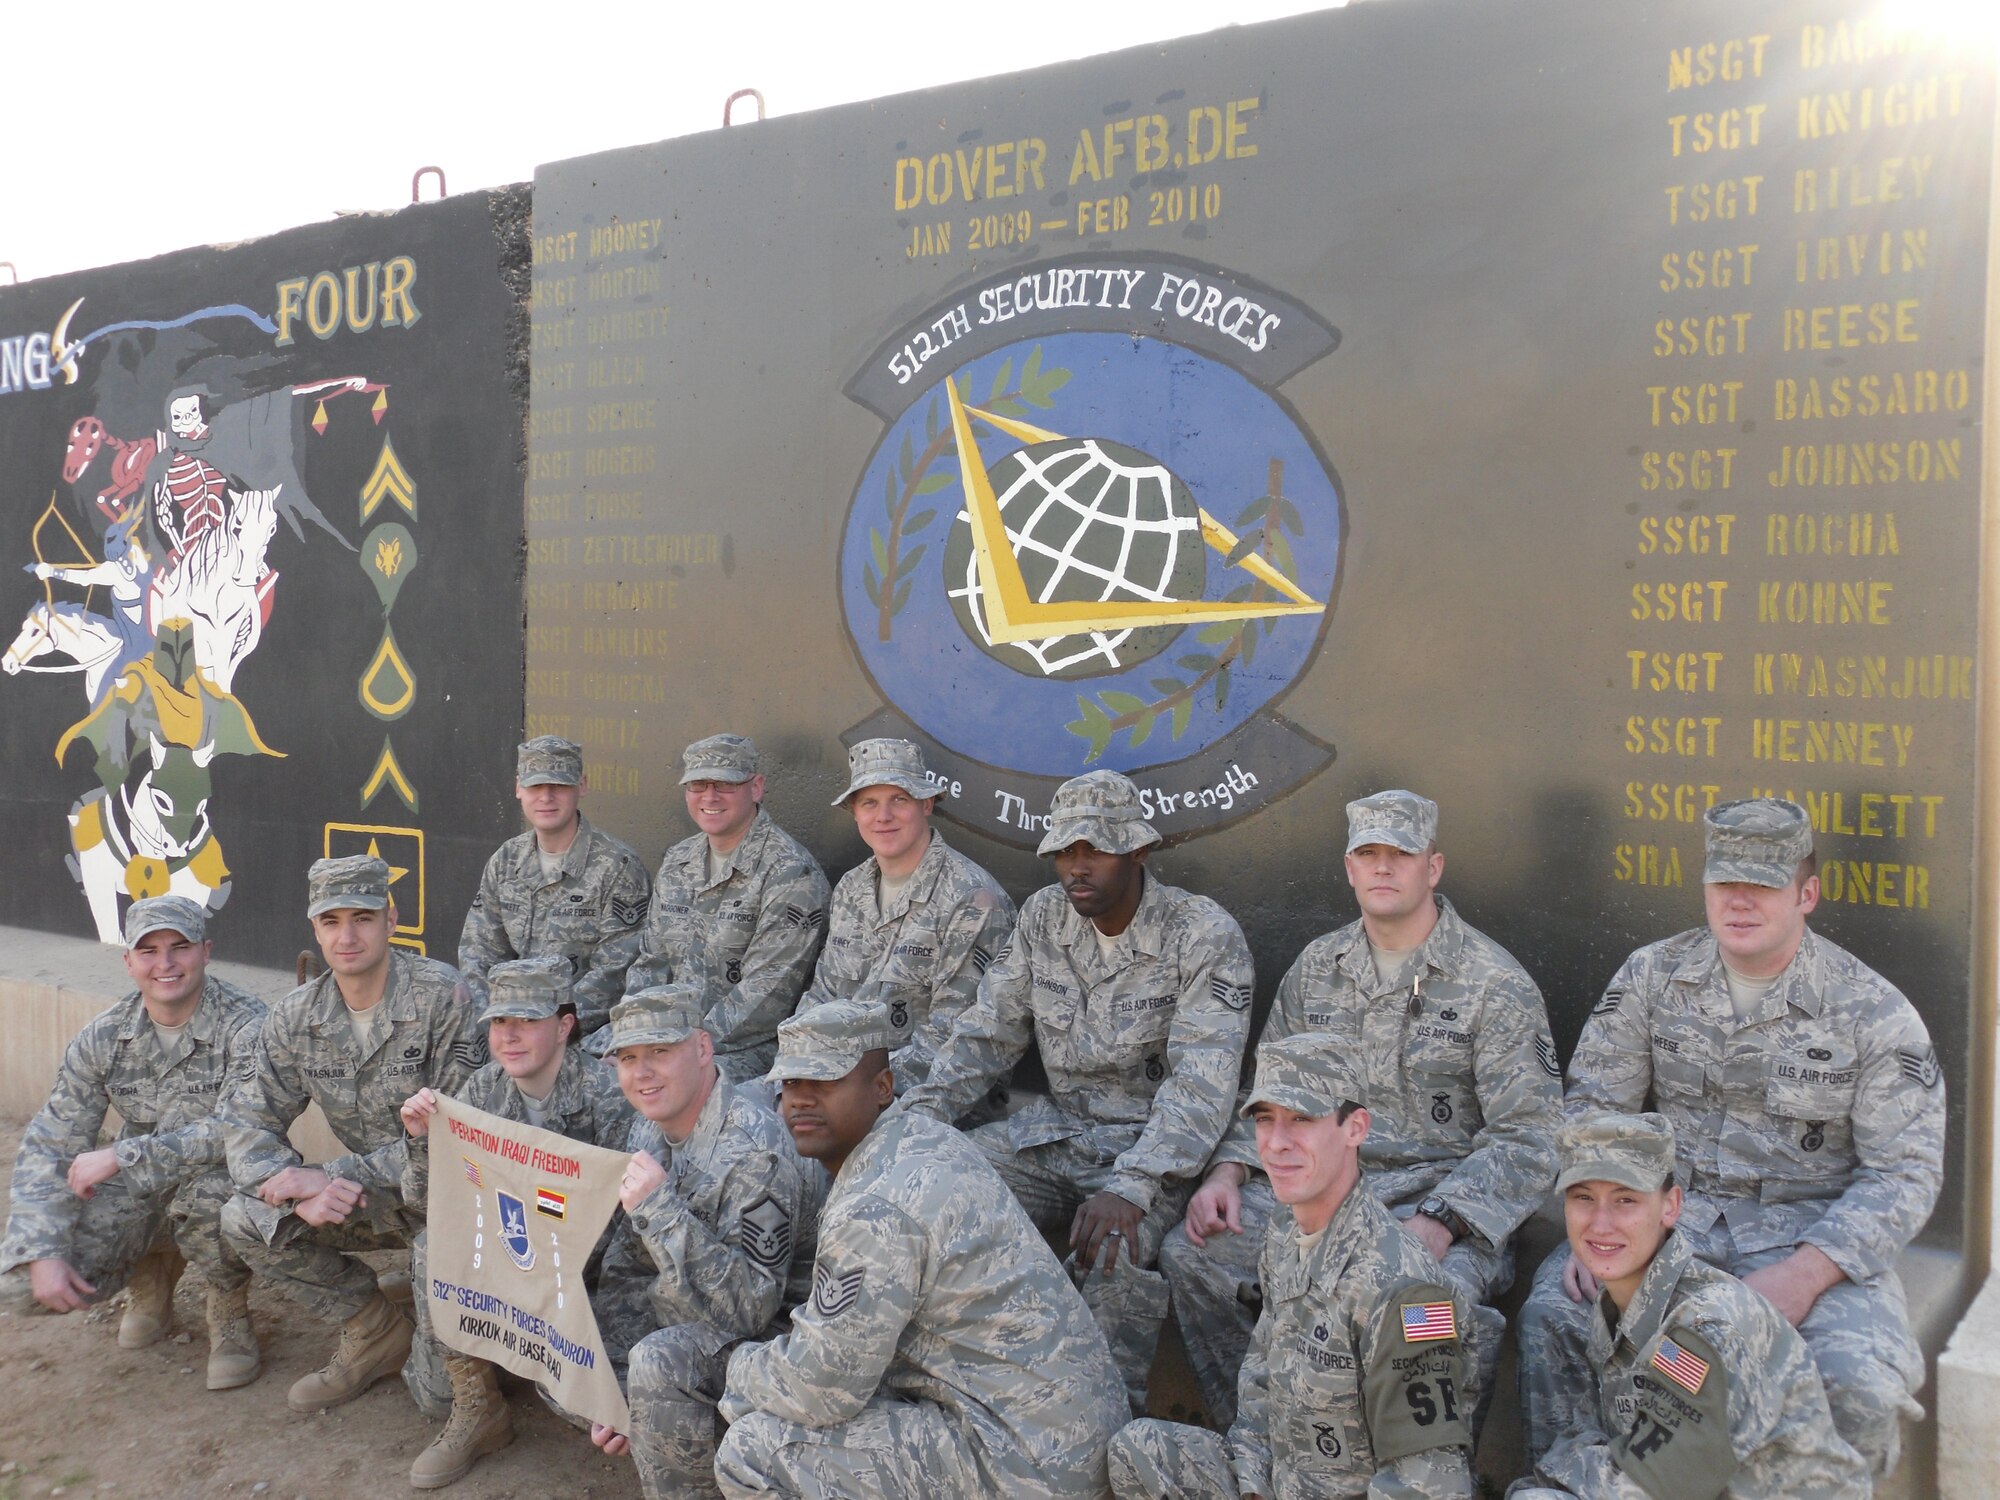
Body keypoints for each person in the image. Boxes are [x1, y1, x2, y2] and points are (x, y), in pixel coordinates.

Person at [1517, 798, 1944, 1477]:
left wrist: (1807, 1275)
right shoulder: (1653, 978)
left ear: (1807, 893)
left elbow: (1904, 1174)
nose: (1739, 902)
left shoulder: (1874, 1013)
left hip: (1809, 1239)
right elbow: (1594, 1110)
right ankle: (1570, 1488)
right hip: (1665, 1228)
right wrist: (1601, 1225)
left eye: (1763, 885)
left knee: (1859, 1386)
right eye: (1725, 883)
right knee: (1558, 1321)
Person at [1163, 789, 1559, 1426]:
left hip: (1439, 1201)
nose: (1382, 868)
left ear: (1432, 868)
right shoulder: (1316, 967)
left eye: (1399, 854)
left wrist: (1440, 1220)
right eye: (1367, 854)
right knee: (1193, 1255)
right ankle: (1266, 1445)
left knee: (1435, 1303)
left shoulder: (1495, 983)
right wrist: (1228, 1172)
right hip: (1323, 1191)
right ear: (1348, 869)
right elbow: (1269, 1094)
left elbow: (1530, 1138)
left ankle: (1426, 1479)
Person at [903, 769, 1254, 1416]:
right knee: (938, 1188)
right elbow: (988, 1033)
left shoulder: (1202, 934)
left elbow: (1203, 1082)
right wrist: (916, 1124)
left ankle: (1105, 1432)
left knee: (1113, 1254)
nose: (1076, 868)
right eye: (1065, 852)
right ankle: (955, 1406)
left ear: (1138, 851)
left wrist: (1133, 1186)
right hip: (1056, 1135)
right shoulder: (1044, 918)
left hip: (1151, 1155)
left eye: (1094, 850)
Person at [714, 996, 1126, 1498]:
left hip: (1022, 1461)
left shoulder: (876, 1207)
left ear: (882, 1088)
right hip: (1060, 1437)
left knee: (754, 1448)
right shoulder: (923, 1137)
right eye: (791, 1082)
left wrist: (736, 1368)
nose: (800, 1099)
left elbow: (820, 1390)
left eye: (824, 1081)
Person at [1109, 1031, 1478, 1500]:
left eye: (1302, 1119)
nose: (1277, 1143)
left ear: (1355, 1128)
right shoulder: (1287, 1233)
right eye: (1266, 1120)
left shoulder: (1407, 1292)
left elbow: (1429, 1486)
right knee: (1138, 1449)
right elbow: (1262, 1385)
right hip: (1278, 1482)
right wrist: (1252, 1486)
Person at [217, 854, 486, 1413]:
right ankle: (373, 1326)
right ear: (314, 927)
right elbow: (246, 1120)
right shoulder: (295, 1017)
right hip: (377, 1197)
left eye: (362, 917)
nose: (347, 936)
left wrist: (324, 1177)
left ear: (391, 919)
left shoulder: (444, 997)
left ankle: (455, 1326)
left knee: (437, 1399)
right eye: (332, 921)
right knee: (245, 1218)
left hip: (456, 1201)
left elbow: (459, 1138)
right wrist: (284, 1182)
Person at [1509, 1112, 1868, 1499]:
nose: (1600, 1223)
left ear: (1670, 1207)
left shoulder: (1708, 1326)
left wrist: (1542, 1481)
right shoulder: (1622, 1301)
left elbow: (1657, 1486)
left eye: (1625, 1200)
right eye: (1584, 1198)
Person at [0, 896, 265, 1390]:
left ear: (205, 951)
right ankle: (152, 1279)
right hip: (139, 1188)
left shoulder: (248, 1026)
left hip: (217, 1178)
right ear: (128, 963)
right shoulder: (102, 1037)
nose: (164, 964)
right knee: (17, 1288)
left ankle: (227, 1307)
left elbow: (241, 1128)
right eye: (148, 951)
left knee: (216, 1196)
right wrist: (43, 1249)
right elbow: (53, 1143)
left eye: (179, 948)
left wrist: (123, 1155)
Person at [396, 956, 635, 1489]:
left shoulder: (609, 1095)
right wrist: (419, 1142)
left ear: (565, 1025)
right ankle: (477, 1404)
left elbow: (628, 1238)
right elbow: (425, 1200)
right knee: (429, 1256)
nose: (509, 1036)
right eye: (500, 1022)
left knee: (597, 1414)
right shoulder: (482, 1093)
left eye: (527, 1021)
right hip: (511, 1257)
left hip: (583, 1276)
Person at [585, 981, 820, 1500]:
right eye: (627, 1057)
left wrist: (660, 1210)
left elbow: (751, 1311)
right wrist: (616, 1389)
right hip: (693, 1316)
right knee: (575, 1352)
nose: (641, 1073)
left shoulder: (756, 1150)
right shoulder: (649, 1129)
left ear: (702, 1048)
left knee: (657, 1364)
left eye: (660, 1053)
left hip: (779, 1340)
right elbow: (630, 1268)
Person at [805, 737, 1015, 1105]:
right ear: (854, 811)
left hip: (923, 1098)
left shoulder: (973, 898)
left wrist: (849, 1092)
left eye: (899, 800)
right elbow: (822, 997)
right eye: (869, 802)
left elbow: (954, 1039)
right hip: (835, 1086)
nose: (883, 816)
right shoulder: (852, 888)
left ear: (926, 803)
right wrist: (798, 1074)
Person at [620, 734, 830, 1076]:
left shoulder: (790, 874)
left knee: (658, 1088)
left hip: (743, 1049)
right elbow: (652, 962)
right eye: (698, 785)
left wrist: (677, 1048)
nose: (710, 796)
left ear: (756, 787)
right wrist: (637, 1034)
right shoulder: (679, 861)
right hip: (665, 1040)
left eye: (725, 785)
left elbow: (765, 996)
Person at [458, 734, 651, 1042]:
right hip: (508, 1032)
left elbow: (614, 975)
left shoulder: (618, 866)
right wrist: (500, 1025)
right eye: (536, 786)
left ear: (582, 786)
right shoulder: (506, 860)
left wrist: (548, 1028)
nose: (546, 797)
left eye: (559, 786)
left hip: (583, 1035)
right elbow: (479, 955)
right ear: (519, 788)